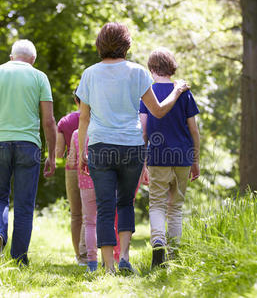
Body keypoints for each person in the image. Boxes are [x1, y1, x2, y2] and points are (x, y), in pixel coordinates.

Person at [76, 22, 189, 274]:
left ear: (100, 44)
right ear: (126, 44)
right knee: (125, 202)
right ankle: (125, 258)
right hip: (131, 147)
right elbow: (158, 110)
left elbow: (84, 118)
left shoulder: (90, 74)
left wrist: (82, 150)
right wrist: (178, 90)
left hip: (100, 146)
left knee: (105, 206)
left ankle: (108, 268)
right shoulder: (138, 72)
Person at [0, 39, 56, 266]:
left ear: (12, 57)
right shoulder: (39, 77)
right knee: (24, 204)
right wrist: (51, 153)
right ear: (33, 60)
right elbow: (49, 121)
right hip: (29, 145)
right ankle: (19, 259)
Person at [139, 47, 200, 268]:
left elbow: (144, 131)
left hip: (157, 156)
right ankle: (174, 253)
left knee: (156, 204)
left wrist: (144, 162)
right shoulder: (184, 92)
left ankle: (158, 243)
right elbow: (194, 130)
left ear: (152, 68)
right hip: (183, 155)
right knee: (175, 207)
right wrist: (196, 160)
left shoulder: (147, 93)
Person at [56, 96, 87, 265]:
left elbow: (59, 153)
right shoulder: (98, 117)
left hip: (73, 168)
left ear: (76, 100)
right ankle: (91, 251)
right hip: (94, 166)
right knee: (92, 212)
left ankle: (79, 256)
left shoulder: (66, 121)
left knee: (76, 214)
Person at [68, 129, 98, 272]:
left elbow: (72, 160)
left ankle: (86, 257)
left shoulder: (76, 134)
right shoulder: (103, 131)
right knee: (105, 217)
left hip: (85, 182)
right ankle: (108, 256)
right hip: (104, 180)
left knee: (88, 221)